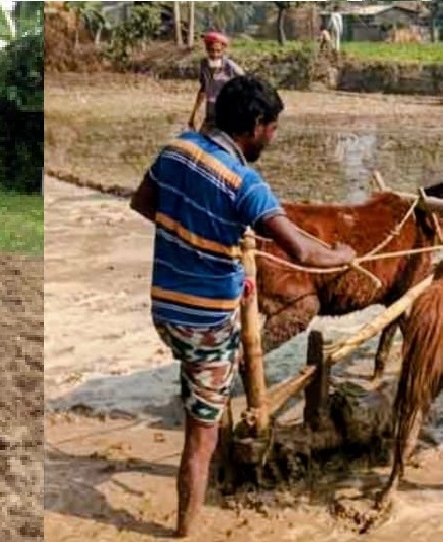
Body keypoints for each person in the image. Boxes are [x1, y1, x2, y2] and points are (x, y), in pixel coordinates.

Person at [130, 75, 357, 537]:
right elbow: (303, 253)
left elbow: (142, 203)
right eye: (272, 129)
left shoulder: (176, 149)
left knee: (201, 376)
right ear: (255, 125)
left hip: (164, 312)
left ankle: (202, 391)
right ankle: (185, 530)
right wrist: (344, 256)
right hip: (206, 323)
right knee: (200, 439)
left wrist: (192, 233)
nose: (272, 139)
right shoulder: (246, 184)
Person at [188, 31, 245, 132]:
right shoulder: (204, 65)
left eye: (218, 51)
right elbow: (203, 89)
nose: (214, 54)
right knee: (204, 137)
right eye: (211, 51)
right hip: (211, 108)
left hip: (227, 108)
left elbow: (245, 82)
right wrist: (194, 113)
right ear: (207, 50)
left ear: (223, 51)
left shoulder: (230, 66)